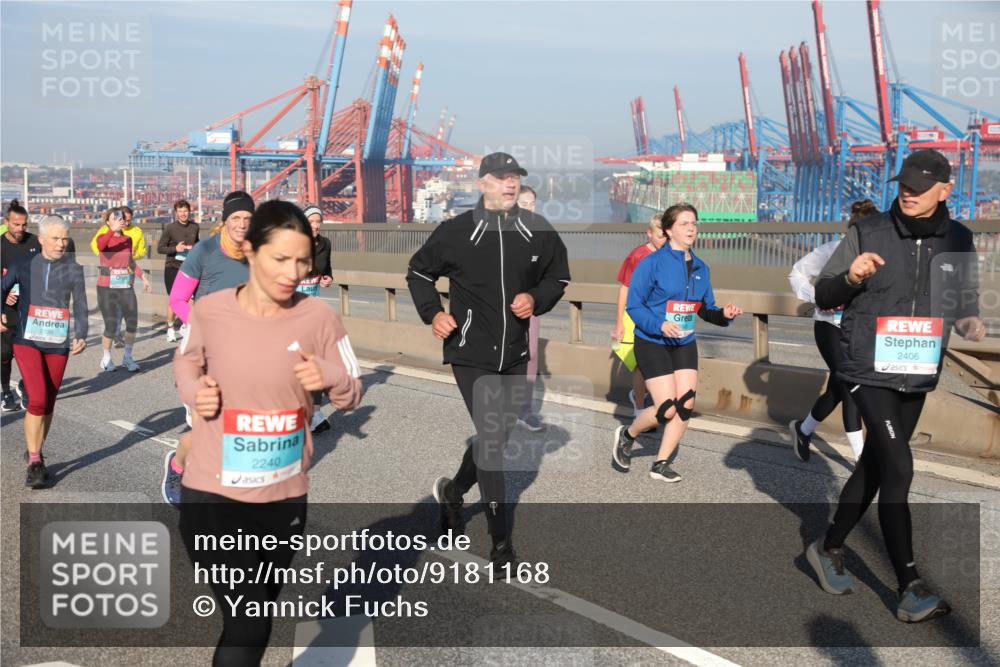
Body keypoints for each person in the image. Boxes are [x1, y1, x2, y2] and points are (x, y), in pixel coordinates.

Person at [174, 199, 361, 665]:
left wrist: (328, 376)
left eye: (302, 261)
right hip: (215, 495)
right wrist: (196, 391)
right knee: (248, 621)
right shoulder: (211, 311)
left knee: (257, 615)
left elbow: (351, 392)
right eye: (280, 258)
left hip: (282, 496)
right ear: (251, 251)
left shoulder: (320, 319)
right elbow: (186, 361)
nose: (293, 272)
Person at [807, 149, 984, 623]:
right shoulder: (868, 231)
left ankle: (827, 547)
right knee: (900, 468)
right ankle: (910, 587)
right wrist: (851, 277)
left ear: (945, 191)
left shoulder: (959, 238)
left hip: (918, 370)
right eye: (903, 185)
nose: (907, 193)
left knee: (876, 466)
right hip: (865, 367)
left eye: (919, 188)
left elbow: (961, 298)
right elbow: (823, 293)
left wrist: (968, 320)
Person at [408, 152, 570, 566]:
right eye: (501, 177)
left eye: (514, 176)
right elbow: (419, 272)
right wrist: (434, 313)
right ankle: (501, 544)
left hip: (515, 353)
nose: (510, 183)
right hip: (470, 352)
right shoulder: (457, 231)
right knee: (494, 442)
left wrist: (536, 297)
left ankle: (453, 492)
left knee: (492, 438)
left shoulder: (537, 229)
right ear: (482, 184)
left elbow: (559, 276)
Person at [612, 204, 743, 482]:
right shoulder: (651, 264)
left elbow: (705, 308)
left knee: (685, 403)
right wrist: (659, 324)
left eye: (694, 223)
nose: (691, 228)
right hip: (652, 340)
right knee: (666, 408)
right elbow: (634, 306)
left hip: (683, 341)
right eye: (684, 223)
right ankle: (627, 434)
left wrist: (724, 314)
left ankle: (660, 464)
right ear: (669, 230)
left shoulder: (701, 267)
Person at [161, 191, 254, 506]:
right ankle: (178, 465)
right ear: (225, 220)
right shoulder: (205, 250)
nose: (242, 224)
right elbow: (177, 299)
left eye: (248, 218)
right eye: (236, 218)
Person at [788, 199, 878, 462]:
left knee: (837, 389)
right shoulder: (833, 250)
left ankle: (803, 430)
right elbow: (796, 273)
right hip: (829, 326)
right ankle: (861, 459)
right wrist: (819, 297)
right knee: (851, 384)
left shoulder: (879, 258)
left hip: (858, 331)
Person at [1, 215, 88, 488]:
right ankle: (35, 462)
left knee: (48, 402)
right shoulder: (23, 265)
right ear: (41, 239)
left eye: (65, 239)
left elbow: (81, 304)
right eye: (55, 238)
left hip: (57, 343)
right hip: (27, 340)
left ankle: (35, 449)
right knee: (37, 400)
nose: (61, 244)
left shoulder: (73, 269)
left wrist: (82, 334)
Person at [613, 213, 667, 417]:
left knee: (661, 363)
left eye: (668, 236)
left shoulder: (673, 254)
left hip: (663, 317)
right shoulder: (637, 256)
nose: (665, 241)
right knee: (641, 364)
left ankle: (652, 399)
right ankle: (639, 407)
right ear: (649, 233)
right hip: (639, 316)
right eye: (661, 236)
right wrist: (619, 323)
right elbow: (624, 289)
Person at [95, 208, 153, 372]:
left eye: (120, 218)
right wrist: (111, 231)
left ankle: (128, 357)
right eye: (115, 218)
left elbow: (130, 262)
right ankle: (106, 358)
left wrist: (143, 277)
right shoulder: (103, 238)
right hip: (106, 287)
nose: (119, 220)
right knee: (111, 325)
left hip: (125, 285)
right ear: (108, 222)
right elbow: (101, 246)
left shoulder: (128, 239)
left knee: (132, 322)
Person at [298, 204, 336, 434]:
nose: (315, 225)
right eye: (311, 221)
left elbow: (327, 269)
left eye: (318, 221)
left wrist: (327, 278)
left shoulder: (325, 244)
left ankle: (314, 412)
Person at [513, 185, 546, 431]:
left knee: (531, 354)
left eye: (531, 203)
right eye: (523, 203)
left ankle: (524, 410)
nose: (528, 208)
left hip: (529, 302)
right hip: (501, 304)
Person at [1, 199, 38, 411]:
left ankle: (25, 386)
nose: (20, 229)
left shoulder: (34, 242)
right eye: (16, 224)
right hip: (6, 308)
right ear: (6, 222)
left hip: (30, 308)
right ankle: (6, 392)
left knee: (30, 352)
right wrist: (4, 295)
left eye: (24, 224)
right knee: (5, 354)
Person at [157, 199, 200, 342]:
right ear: (176, 213)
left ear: (189, 212)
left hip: (189, 268)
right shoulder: (170, 228)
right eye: (180, 211)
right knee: (174, 300)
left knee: (191, 299)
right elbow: (160, 248)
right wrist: (175, 248)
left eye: (185, 211)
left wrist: (196, 249)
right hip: (173, 267)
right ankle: (170, 328)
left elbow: (197, 244)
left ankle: (187, 325)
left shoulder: (195, 227)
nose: (183, 214)